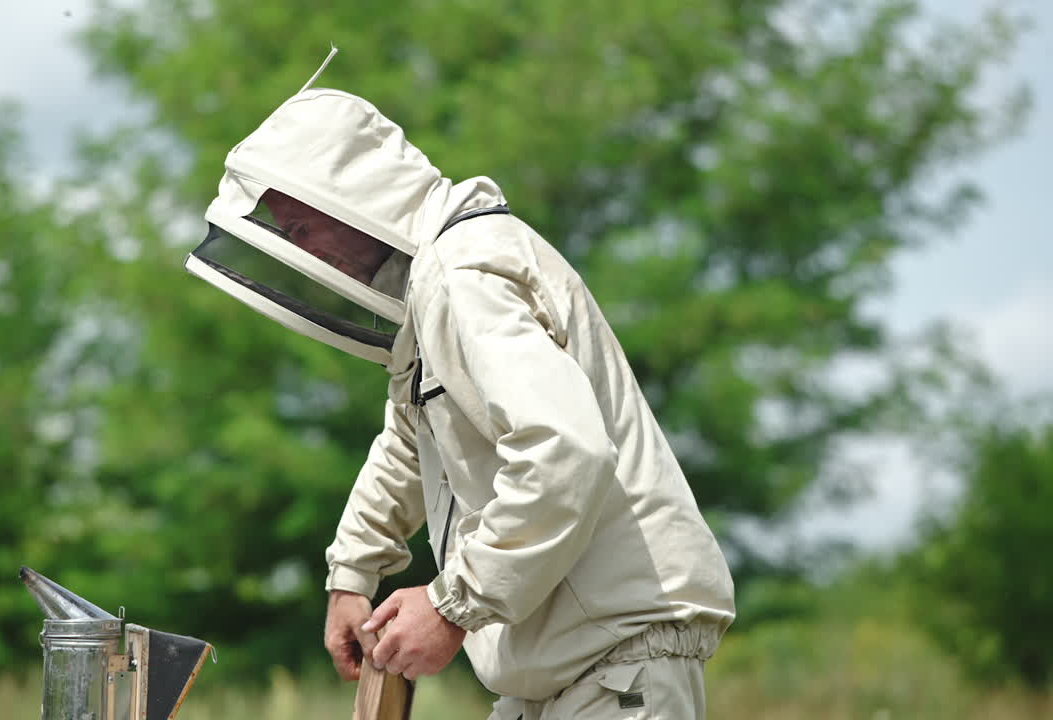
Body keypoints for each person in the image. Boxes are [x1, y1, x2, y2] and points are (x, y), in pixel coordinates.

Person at [185, 83, 735, 720]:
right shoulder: (435, 287)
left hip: (616, 670)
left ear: (347, 194)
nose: (306, 251)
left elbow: (565, 451)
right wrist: (351, 575)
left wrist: (451, 605)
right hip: (564, 677)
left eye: (305, 226)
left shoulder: (463, 270)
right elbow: (408, 441)